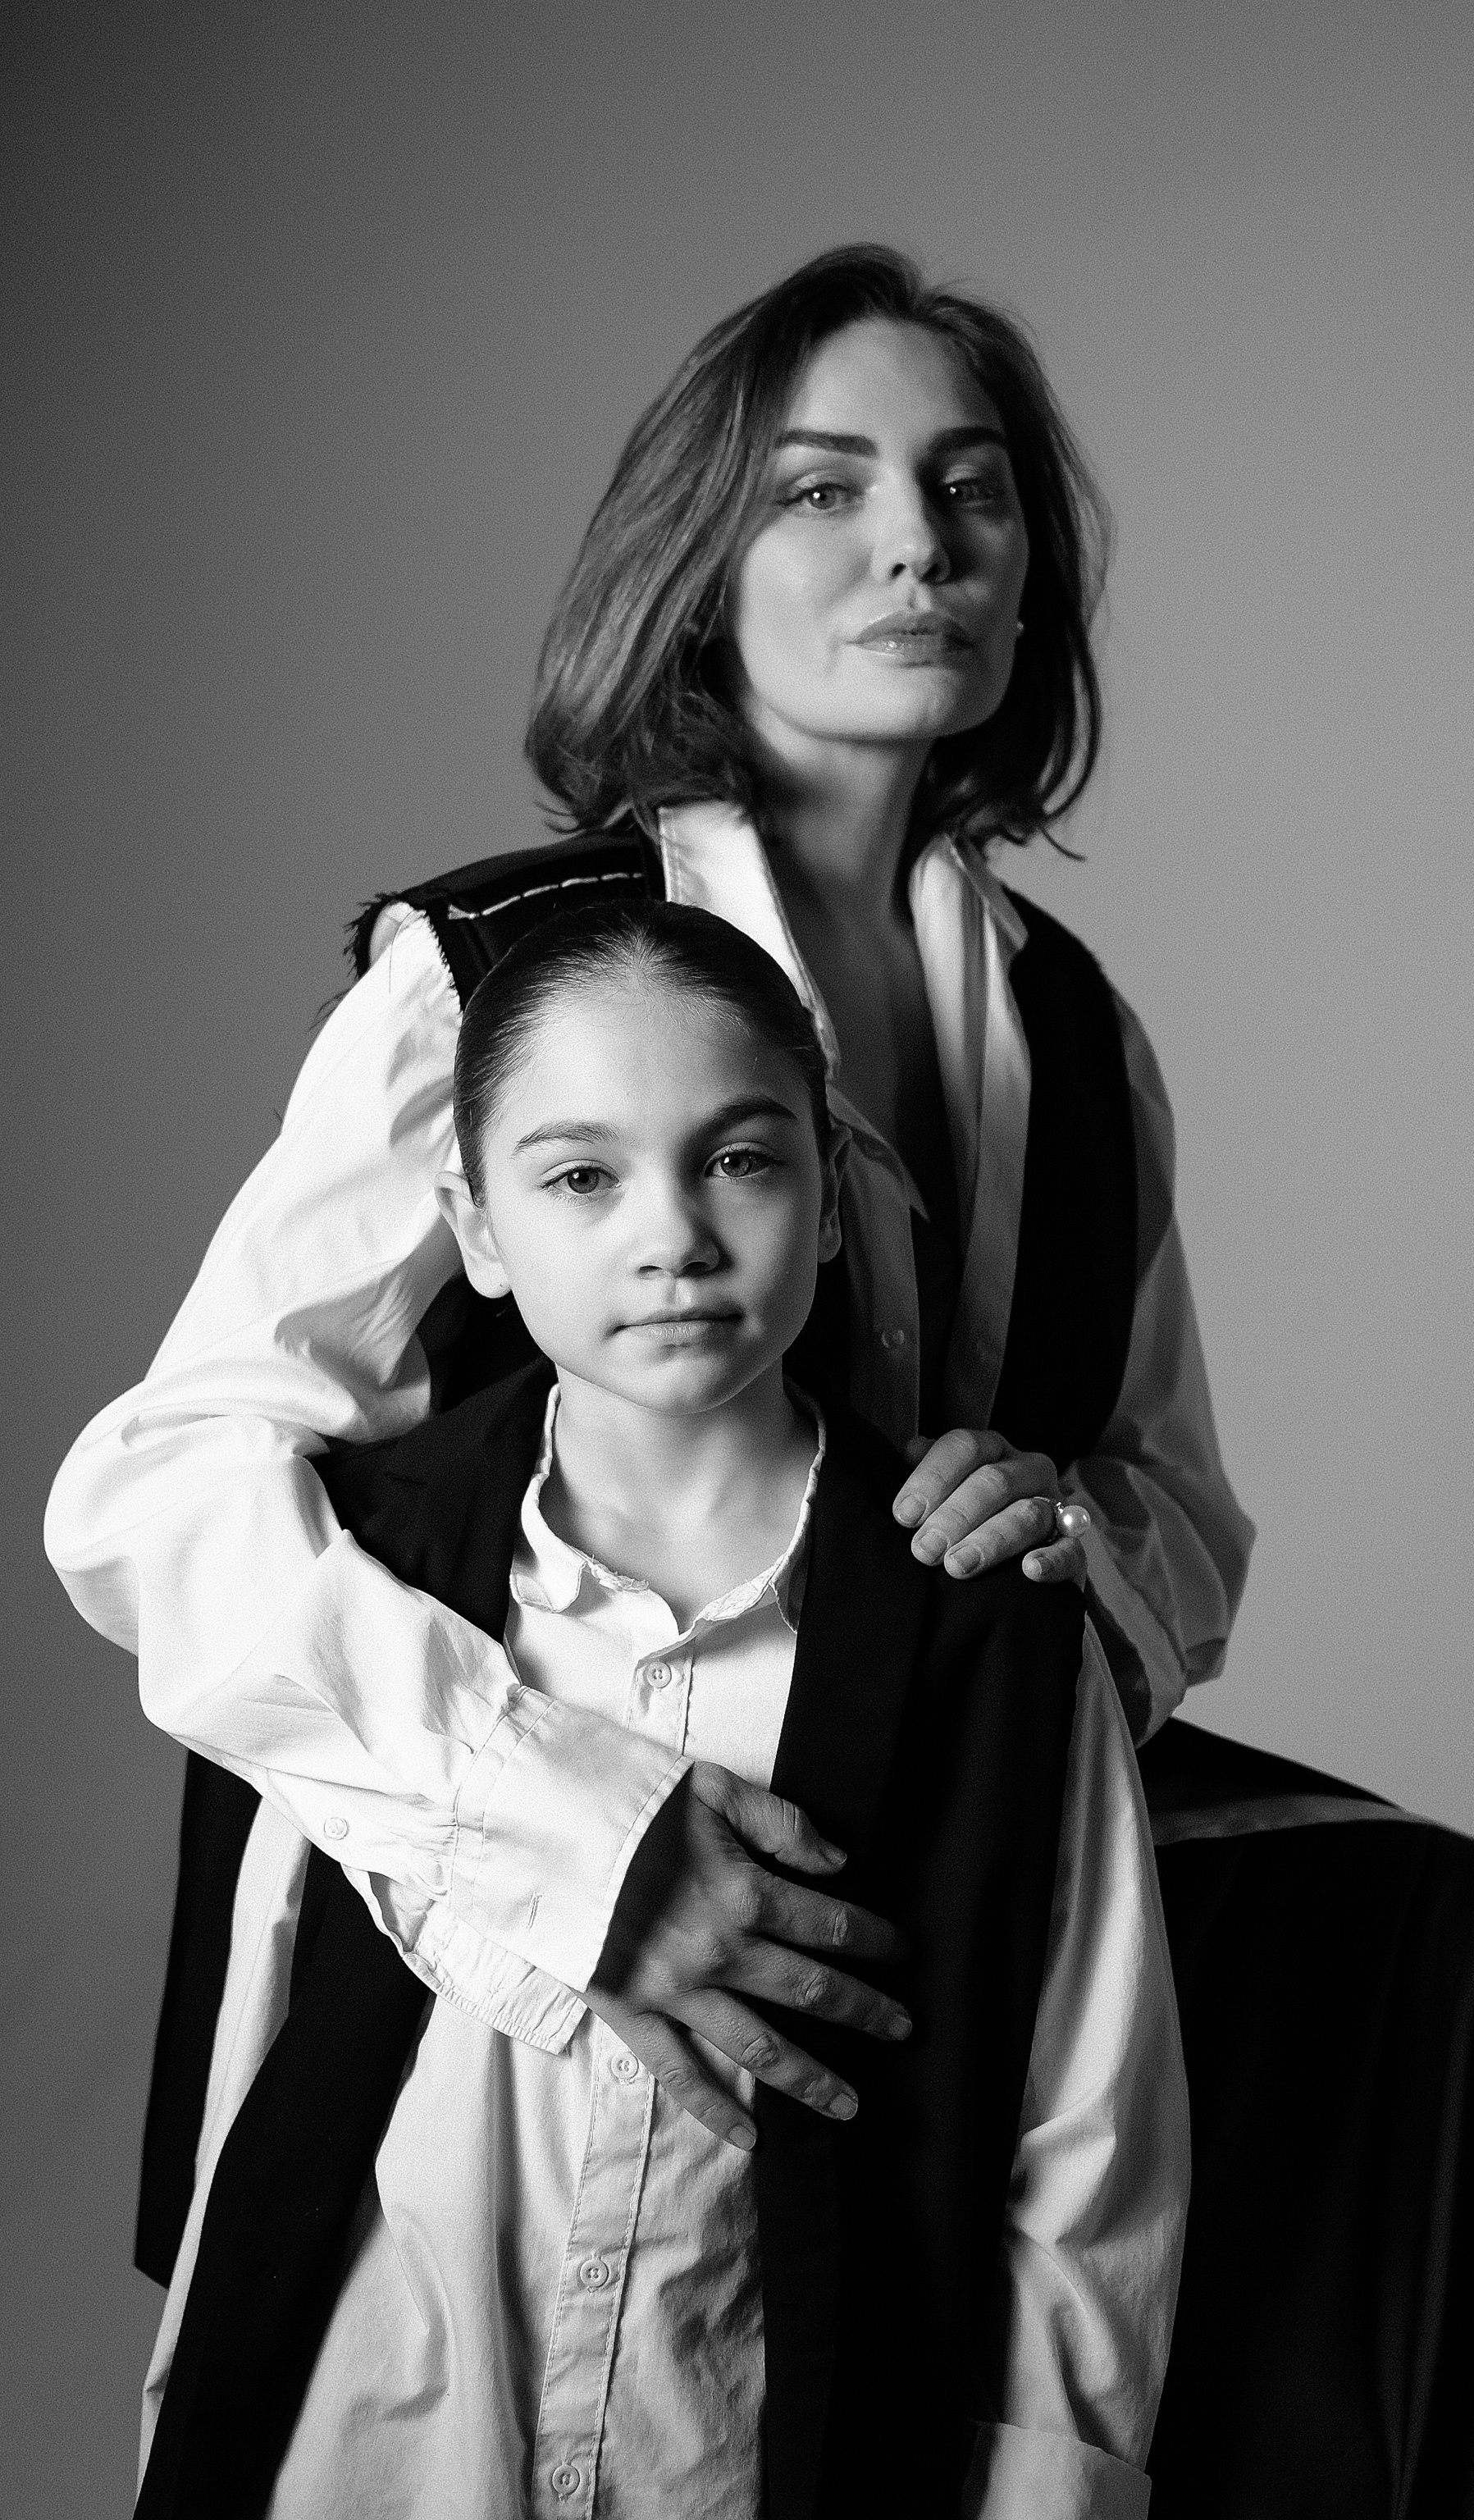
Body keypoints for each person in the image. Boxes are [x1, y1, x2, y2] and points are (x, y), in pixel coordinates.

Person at [45, 244, 1253, 2158]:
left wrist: (1068, 1533)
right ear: (700, 571)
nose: (919, 544)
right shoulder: (502, 975)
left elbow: (1177, 1519)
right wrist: (585, 1845)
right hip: (516, 1951)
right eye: (823, 490)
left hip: (914, 1917)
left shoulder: (1081, 1036)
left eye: (971, 487)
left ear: (1031, 571)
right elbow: (162, 1495)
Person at [134, 900, 1187, 2518]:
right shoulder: (357, 1588)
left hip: (765, 2452)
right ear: (476, 1231)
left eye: (742, 1161)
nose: (672, 1236)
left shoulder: (992, 1627)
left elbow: (1090, 2142)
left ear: (830, 1205)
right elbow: (253, 2060)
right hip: (386, 2438)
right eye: (580, 1178)